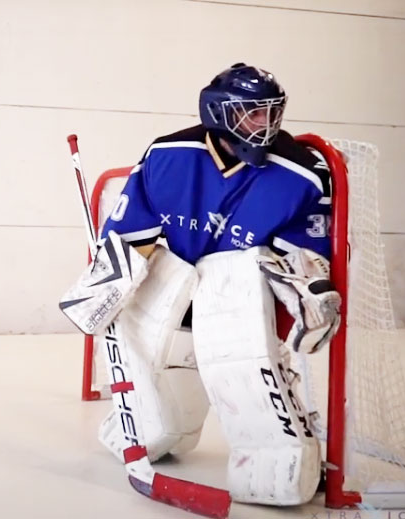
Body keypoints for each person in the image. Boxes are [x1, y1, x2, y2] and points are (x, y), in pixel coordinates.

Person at [59, 63, 343, 506]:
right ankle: (139, 427)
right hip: (175, 284)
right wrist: (105, 286)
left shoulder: (302, 173)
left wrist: (308, 290)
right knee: (159, 428)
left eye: (272, 112)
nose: (266, 124)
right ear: (218, 113)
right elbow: (130, 236)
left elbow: (301, 255)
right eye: (253, 113)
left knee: (238, 310)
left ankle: (277, 465)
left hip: (240, 296)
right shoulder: (168, 155)